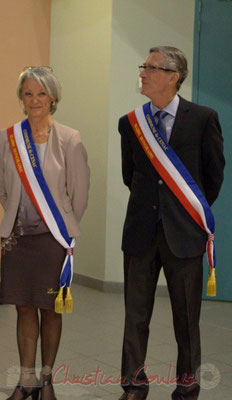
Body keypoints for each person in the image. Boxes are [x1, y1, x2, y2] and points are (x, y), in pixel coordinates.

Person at [118, 46, 224, 400]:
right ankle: (134, 385)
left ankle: (187, 386)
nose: (142, 73)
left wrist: (185, 214)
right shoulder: (130, 123)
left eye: (150, 68)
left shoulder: (203, 118)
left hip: (184, 236)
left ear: (173, 76)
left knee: (187, 321)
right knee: (135, 317)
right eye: (143, 67)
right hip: (140, 234)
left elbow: (212, 178)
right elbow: (129, 176)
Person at [0, 67, 90, 400]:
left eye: (41, 93)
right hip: (17, 239)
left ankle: (47, 380)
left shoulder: (70, 139)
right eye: (28, 93)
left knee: (50, 308)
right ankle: (26, 380)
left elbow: (78, 194)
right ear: (21, 97)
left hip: (54, 240)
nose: (34, 100)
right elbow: (3, 189)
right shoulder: (7, 137)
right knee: (23, 307)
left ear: (53, 97)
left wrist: (63, 228)